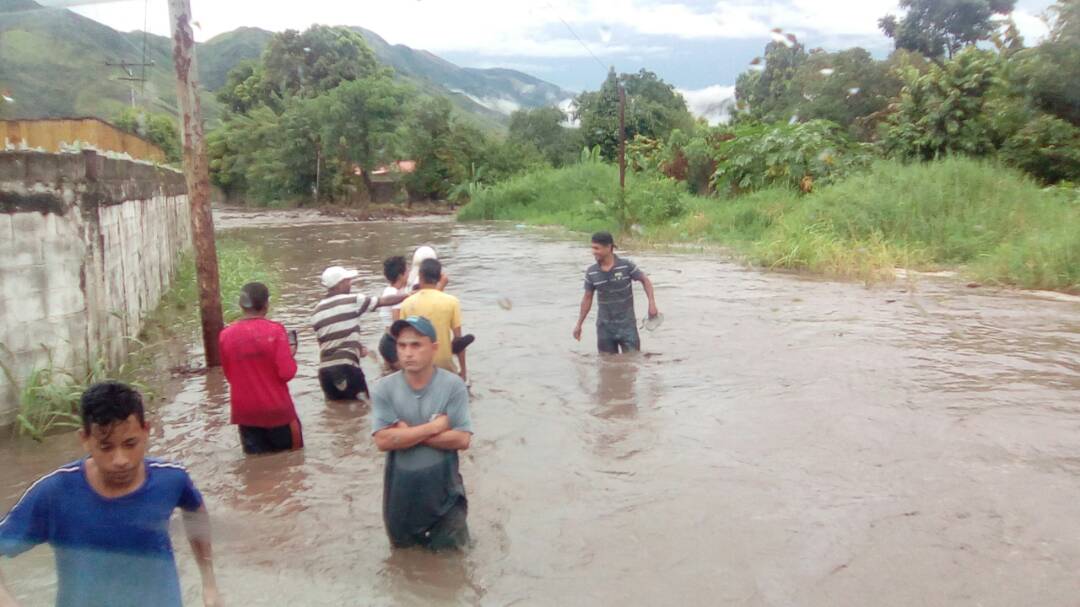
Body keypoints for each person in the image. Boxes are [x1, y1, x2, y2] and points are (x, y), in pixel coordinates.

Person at [0, 382, 220, 607]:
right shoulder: (54, 492)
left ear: (146, 430)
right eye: (106, 447)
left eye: (130, 444)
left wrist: (209, 583)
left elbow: (196, 513)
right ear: (85, 439)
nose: (120, 460)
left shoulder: (172, 479)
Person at [372, 316, 473, 550]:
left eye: (416, 345)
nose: (408, 353)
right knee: (404, 568)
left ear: (434, 348)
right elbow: (383, 440)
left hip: (446, 498)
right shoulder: (384, 389)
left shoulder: (452, 386)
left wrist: (407, 434)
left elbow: (462, 439)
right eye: (402, 345)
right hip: (400, 498)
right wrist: (434, 427)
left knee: (454, 569)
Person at [220, 281, 302, 455]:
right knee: (292, 465)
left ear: (241, 305)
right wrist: (290, 355)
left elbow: (230, 375)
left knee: (256, 466)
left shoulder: (225, 335)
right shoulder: (276, 331)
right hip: (278, 411)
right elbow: (287, 373)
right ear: (266, 304)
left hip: (245, 414)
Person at [312, 265, 408, 401]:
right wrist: (408, 295)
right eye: (348, 281)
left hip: (325, 373)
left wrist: (358, 347)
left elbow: (328, 342)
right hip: (347, 368)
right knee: (363, 407)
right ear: (339, 284)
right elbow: (383, 301)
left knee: (337, 413)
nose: (350, 284)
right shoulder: (353, 300)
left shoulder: (316, 311)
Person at [573, 231, 660, 354]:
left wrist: (652, 304)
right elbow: (587, 298)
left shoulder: (626, 266)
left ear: (609, 247)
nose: (593, 251)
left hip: (627, 326)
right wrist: (579, 324)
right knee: (606, 367)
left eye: (597, 248)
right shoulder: (591, 272)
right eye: (592, 248)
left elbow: (645, 281)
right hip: (604, 328)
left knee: (632, 364)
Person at [399, 259, 468, 382]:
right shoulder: (452, 302)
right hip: (445, 367)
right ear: (439, 277)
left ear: (420, 277)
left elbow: (401, 342)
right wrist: (463, 371)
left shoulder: (406, 304)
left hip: (417, 366)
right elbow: (459, 341)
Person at [378, 256, 408, 372]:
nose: (409, 274)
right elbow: (397, 323)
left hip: (386, 340)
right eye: (407, 271)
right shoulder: (395, 295)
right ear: (401, 275)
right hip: (392, 342)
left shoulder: (388, 291)